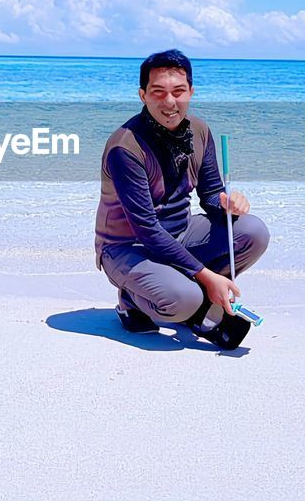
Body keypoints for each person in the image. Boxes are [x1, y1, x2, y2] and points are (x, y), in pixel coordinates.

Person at [94, 49, 270, 350]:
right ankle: (132, 300)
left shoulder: (199, 131)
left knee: (253, 232)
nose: (169, 102)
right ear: (142, 95)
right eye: (158, 92)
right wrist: (206, 277)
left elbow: (211, 195)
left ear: (191, 91)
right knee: (185, 299)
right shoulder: (125, 148)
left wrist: (227, 202)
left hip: (180, 233)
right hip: (127, 248)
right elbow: (147, 230)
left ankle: (197, 294)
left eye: (178, 91)